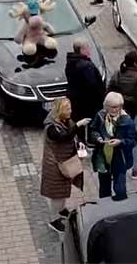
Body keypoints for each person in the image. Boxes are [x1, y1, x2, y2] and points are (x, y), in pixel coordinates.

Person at [40, 97, 89, 233]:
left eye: (70, 108)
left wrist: (79, 142)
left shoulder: (66, 121)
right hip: (56, 167)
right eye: (67, 109)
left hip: (64, 164)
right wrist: (78, 125)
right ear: (60, 111)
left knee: (62, 192)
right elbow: (64, 137)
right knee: (57, 195)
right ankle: (54, 219)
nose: (70, 111)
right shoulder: (52, 128)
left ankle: (61, 210)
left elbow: (71, 136)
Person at [108, 50, 137, 180]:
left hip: (121, 113)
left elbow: (110, 89)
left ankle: (116, 167)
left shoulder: (117, 74)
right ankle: (136, 170)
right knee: (136, 142)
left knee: (119, 140)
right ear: (135, 62)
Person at [89, 92, 137, 201]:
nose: (114, 110)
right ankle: (105, 209)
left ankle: (120, 210)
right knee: (104, 189)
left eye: (117, 107)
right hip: (103, 156)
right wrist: (98, 137)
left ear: (121, 106)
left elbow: (133, 141)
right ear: (105, 106)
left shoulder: (127, 121)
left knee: (120, 189)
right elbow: (93, 130)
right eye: (110, 107)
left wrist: (120, 142)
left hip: (120, 159)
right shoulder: (100, 115)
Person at [66, 38, 106, 137]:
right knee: (90, 126)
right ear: (82, 50)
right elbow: (93, 86)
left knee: (80, 126)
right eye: (88, 48)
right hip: (88, 104)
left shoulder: (70, 63)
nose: (89, 50)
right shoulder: (86, 66)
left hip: (76, 102)